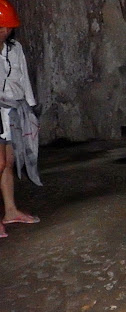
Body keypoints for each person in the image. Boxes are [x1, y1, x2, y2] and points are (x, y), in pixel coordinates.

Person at [0, 0, 40, 238]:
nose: (4, 31)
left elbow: (24, 80)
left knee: (9, 163)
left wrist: (32, 112)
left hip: (14, 111)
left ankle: (10, 210)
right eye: (0, 27)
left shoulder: (15, 49)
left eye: (7, 27)